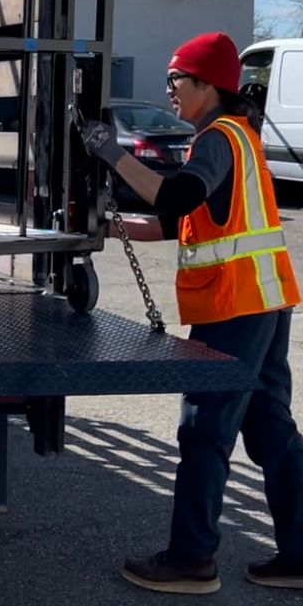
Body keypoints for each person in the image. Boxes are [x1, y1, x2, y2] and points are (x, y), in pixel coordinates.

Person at [81, 31, 303, 595]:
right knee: (271, 429)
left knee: (204, 431)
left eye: (176, 80)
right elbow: (182, 222)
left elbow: (176, 197)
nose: (170, 89)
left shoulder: (217, 138)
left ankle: (191, 561)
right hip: (264, 302)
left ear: (208, 84)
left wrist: (111, 152)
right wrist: (108, 227)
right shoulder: (240, 138)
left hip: (232, 307)